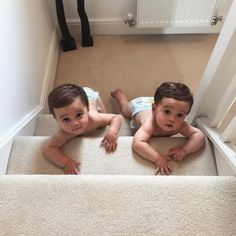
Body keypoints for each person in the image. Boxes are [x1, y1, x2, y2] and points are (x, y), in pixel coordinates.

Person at [111, 82, 205, 175]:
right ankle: (120, 96)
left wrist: (185, 149)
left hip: (156, 104)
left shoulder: (180, 125)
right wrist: (157, 158)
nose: (172, 119)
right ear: (154, 109)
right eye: (167, 112)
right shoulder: (150, 124)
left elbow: (199, 136)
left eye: (179, 115)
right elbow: (137, 143)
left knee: (167, 106)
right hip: (140, 106)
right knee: (125, 109)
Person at [43, 84, 122, 174]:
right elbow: (48, 148)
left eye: (79, 115)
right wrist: (66, 162)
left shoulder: (95, 119)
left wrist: (112, 132)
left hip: (91, 96)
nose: (75, 123)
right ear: (56, 119)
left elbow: (116, 118)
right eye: (66, 119)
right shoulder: (64, 133)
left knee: (103, 119)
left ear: (87, 109)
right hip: (82, 99)